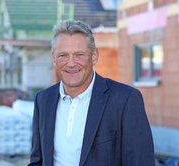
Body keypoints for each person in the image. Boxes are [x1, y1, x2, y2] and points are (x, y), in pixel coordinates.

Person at [28, 20, 155, 166]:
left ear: (94, 56)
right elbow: (37, 160)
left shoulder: (125, 100)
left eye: (79, 55)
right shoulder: (43, 100)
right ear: (54, 58)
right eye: (63, 55)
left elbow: (140, 161)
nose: (71, 63)